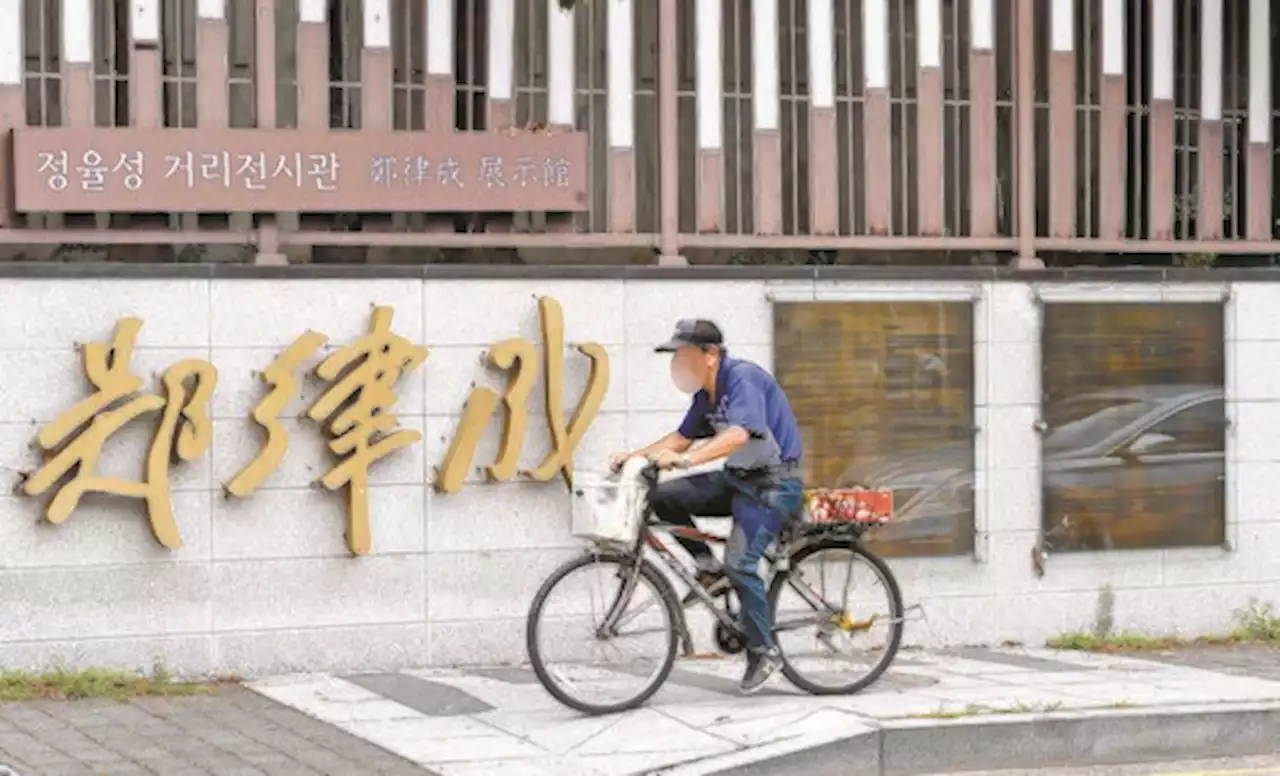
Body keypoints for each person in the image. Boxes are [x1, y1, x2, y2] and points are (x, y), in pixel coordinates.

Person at [609, 319, 804, 694]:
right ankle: (707, 569)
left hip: (773, 485)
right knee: (662, 497)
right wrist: (634, 456)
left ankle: (765, 653)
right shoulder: (705, 396)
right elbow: (681, 438)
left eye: (684, 355)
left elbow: (738, 433)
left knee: (741, 563)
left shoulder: (742, 379)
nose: (679, 364)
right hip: (739, 479)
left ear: (710, 355)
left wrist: (689, 461)